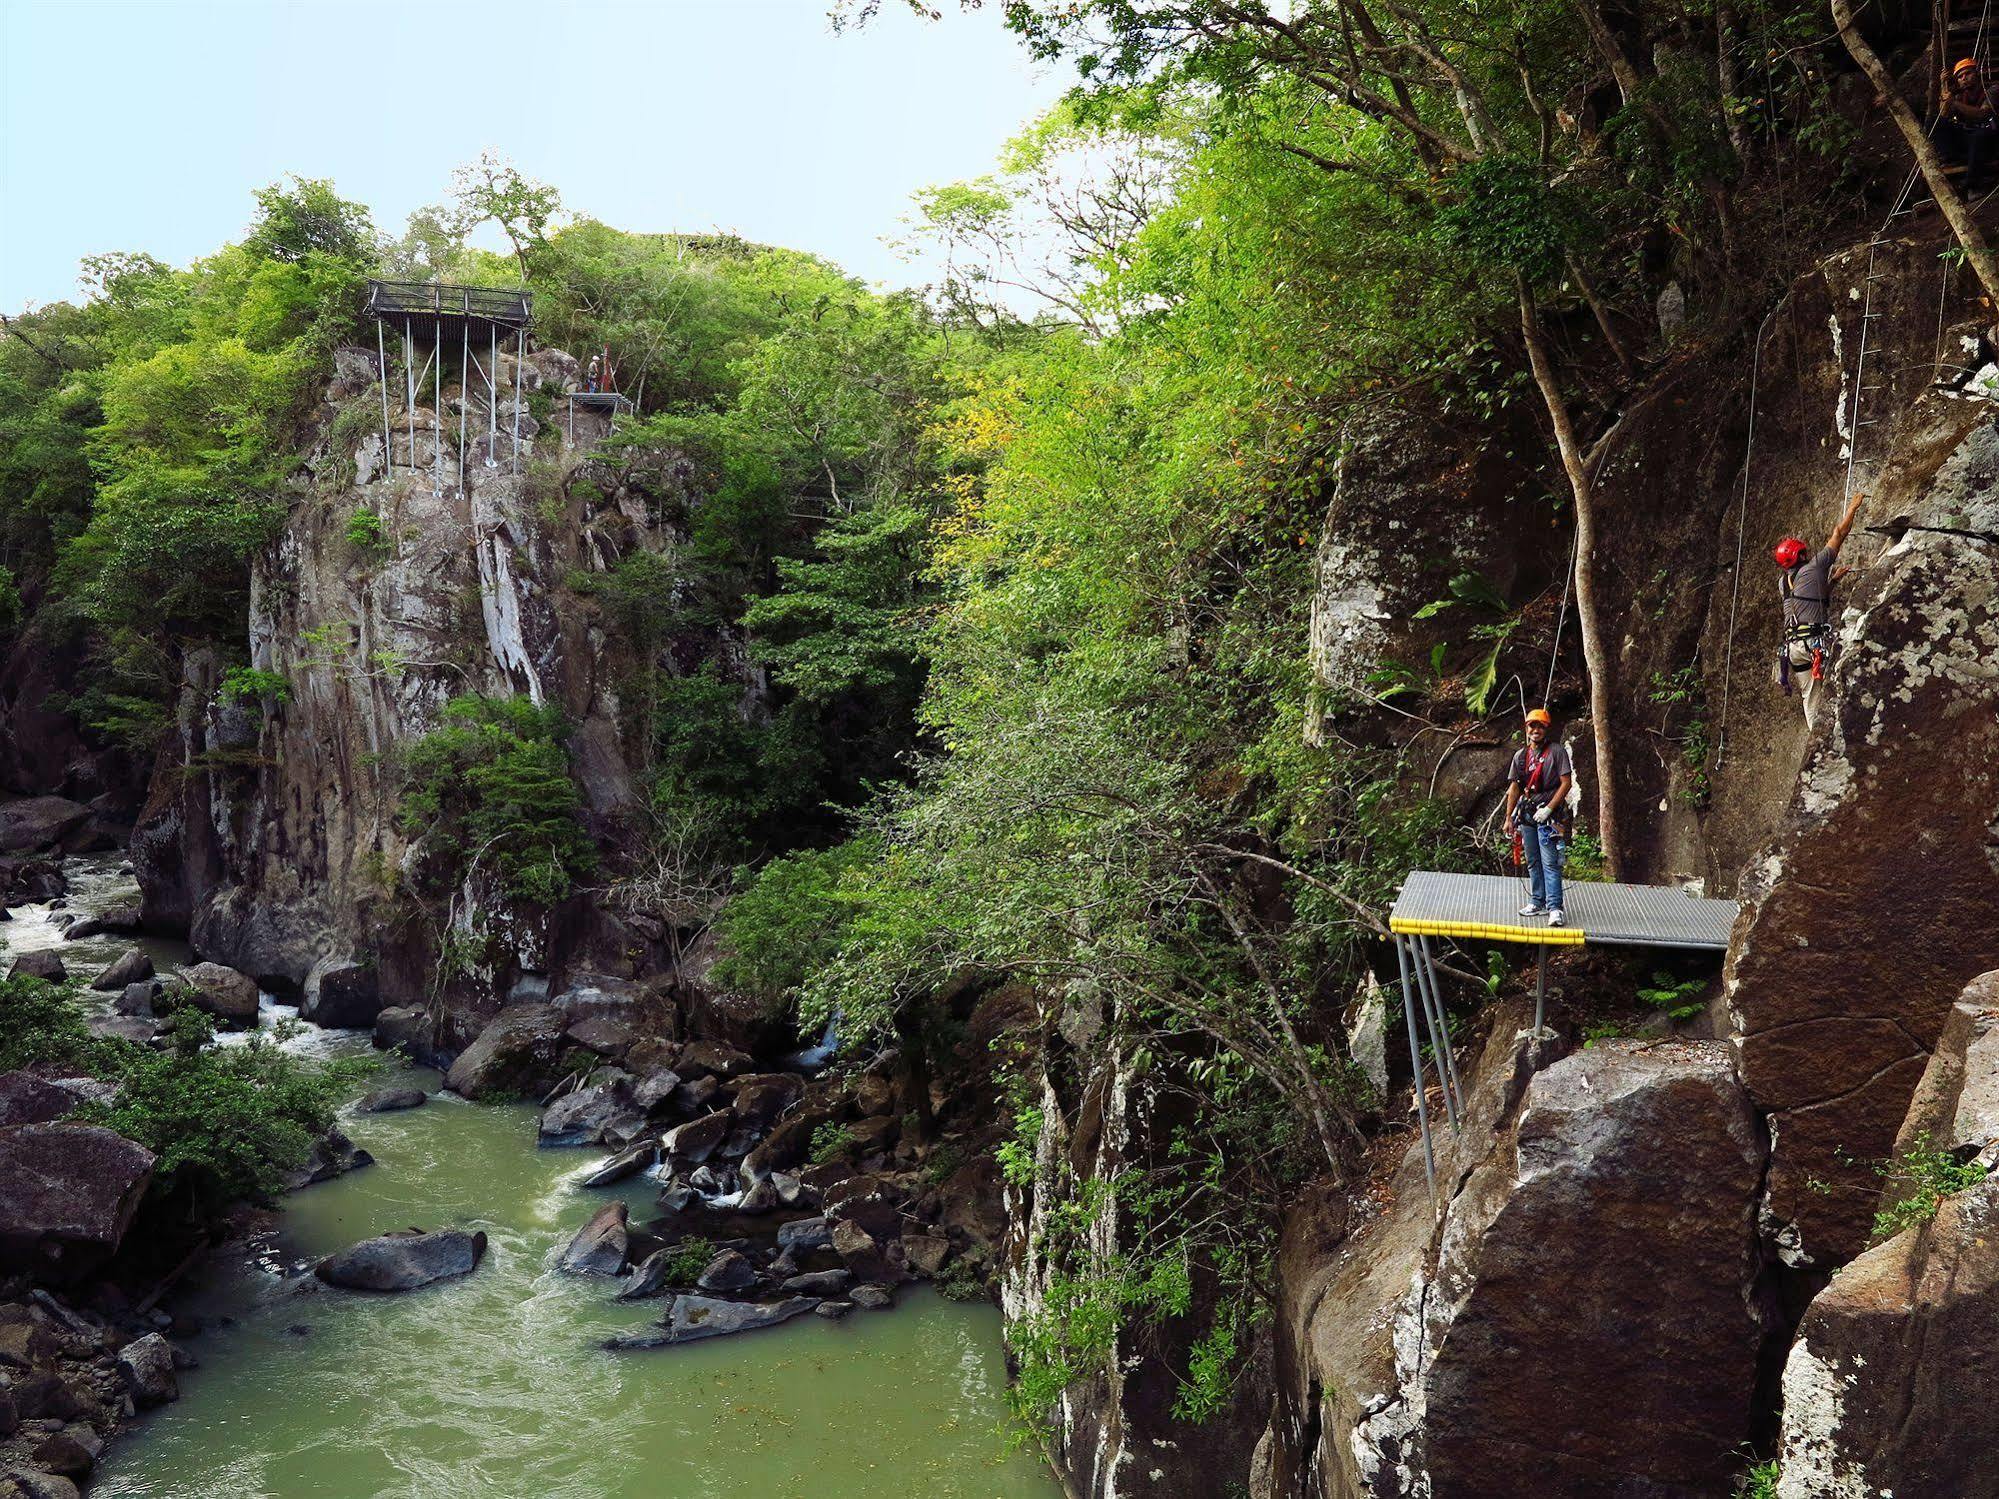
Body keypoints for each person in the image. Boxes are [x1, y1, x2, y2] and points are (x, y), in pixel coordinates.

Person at [1773, 489, 1865, 731]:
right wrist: (1853, 507)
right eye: (1803, 552)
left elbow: (1805, 602)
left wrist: (1831, 582)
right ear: (1800, 555)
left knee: (1810, 698)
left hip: (1793, 649)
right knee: (1848, 673)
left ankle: (1817, 740)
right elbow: (1839, 534)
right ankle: (1845, 730)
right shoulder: (1813, 569)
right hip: (1813, 644)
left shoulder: (1783, 582)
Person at [1506, 708, 1573, 929]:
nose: (1535, 730)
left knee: (1550, 862)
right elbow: (1514, 788)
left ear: (1546, 729)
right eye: (1532, 726)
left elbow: (1566, 783)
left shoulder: (1556, 752)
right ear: (1526, 729)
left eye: (1540, 726)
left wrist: (1550, 808)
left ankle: (1555, 908)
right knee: (1533, 860)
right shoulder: (1521, 756)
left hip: (1549, 814)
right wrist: (1509, 817)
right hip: (1528, 813)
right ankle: (1537, 901)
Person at [1937, 57, 1998, 191]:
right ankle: (1952, 157)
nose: (1964, 78)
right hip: (1971, 141)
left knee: (1980, 135)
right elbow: (1943, 116)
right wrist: (1943, 84)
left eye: (1968, 73)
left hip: (1990, 140)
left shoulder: (1992, 90)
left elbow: (1983, 114)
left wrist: (1953, 102)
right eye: (1960, 76)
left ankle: (1973, 184)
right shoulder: (1959, 97)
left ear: (1977, 74)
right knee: (1938, 122)